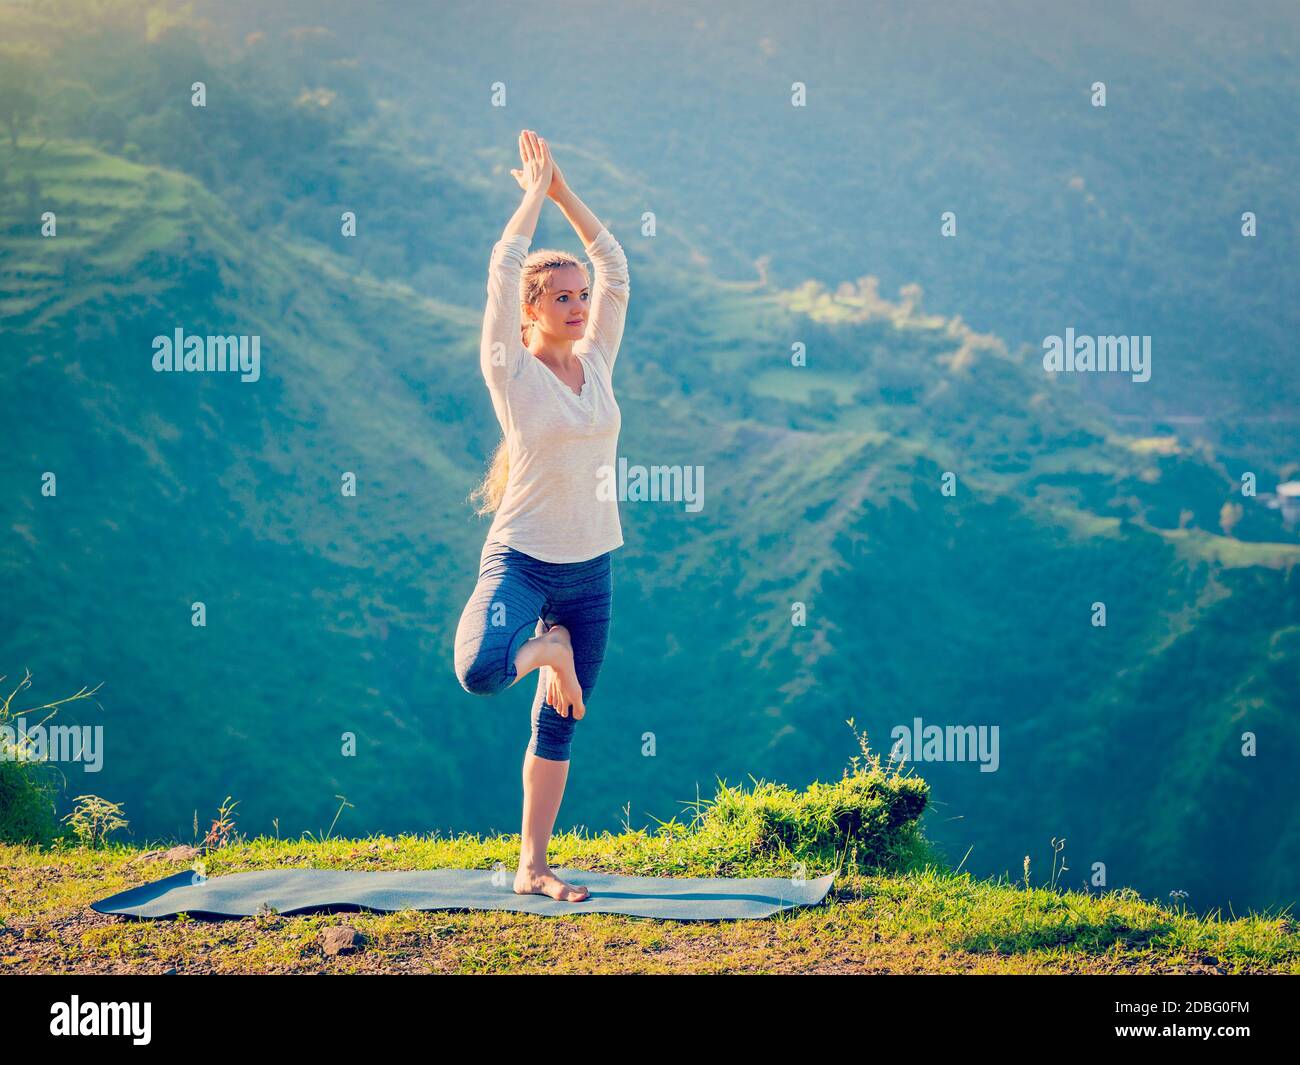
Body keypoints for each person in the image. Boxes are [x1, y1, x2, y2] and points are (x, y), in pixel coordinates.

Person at [453, 130, 630, 902]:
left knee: (559, 723)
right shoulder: (511, 371)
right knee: (482, 669)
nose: (579, 303)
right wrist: (531, 197)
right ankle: (546, 645)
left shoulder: (596, 362)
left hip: (591, 570)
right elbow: (500, 268)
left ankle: (532, 864)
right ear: (529, 309)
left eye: (579, 296)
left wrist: (562, 190)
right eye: (562, 296)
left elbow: (616, 267)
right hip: (522, 562)